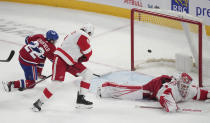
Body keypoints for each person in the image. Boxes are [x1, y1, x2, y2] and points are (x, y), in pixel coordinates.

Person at [32, 23, 95, 112]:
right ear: (89, 32)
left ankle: (81, 100)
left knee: (87, 73)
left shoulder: (74, 33)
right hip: (61, 60)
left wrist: (79, 57)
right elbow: (88, 52)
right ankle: (38, 102)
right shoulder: (83, 35)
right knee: (57, 83)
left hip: (70, 61)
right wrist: (83, 58)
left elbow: (72, 48)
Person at [97, 72, 210, 112]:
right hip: (156, 86)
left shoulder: (190, 90)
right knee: (136, 92)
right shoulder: (170, 91)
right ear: (179, 83)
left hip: (166, 81)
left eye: (187, 86)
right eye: (183, 85)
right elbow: (163, 99)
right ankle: (105, 89)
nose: (185, 88)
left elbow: (200, 93)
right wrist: (172, 106)